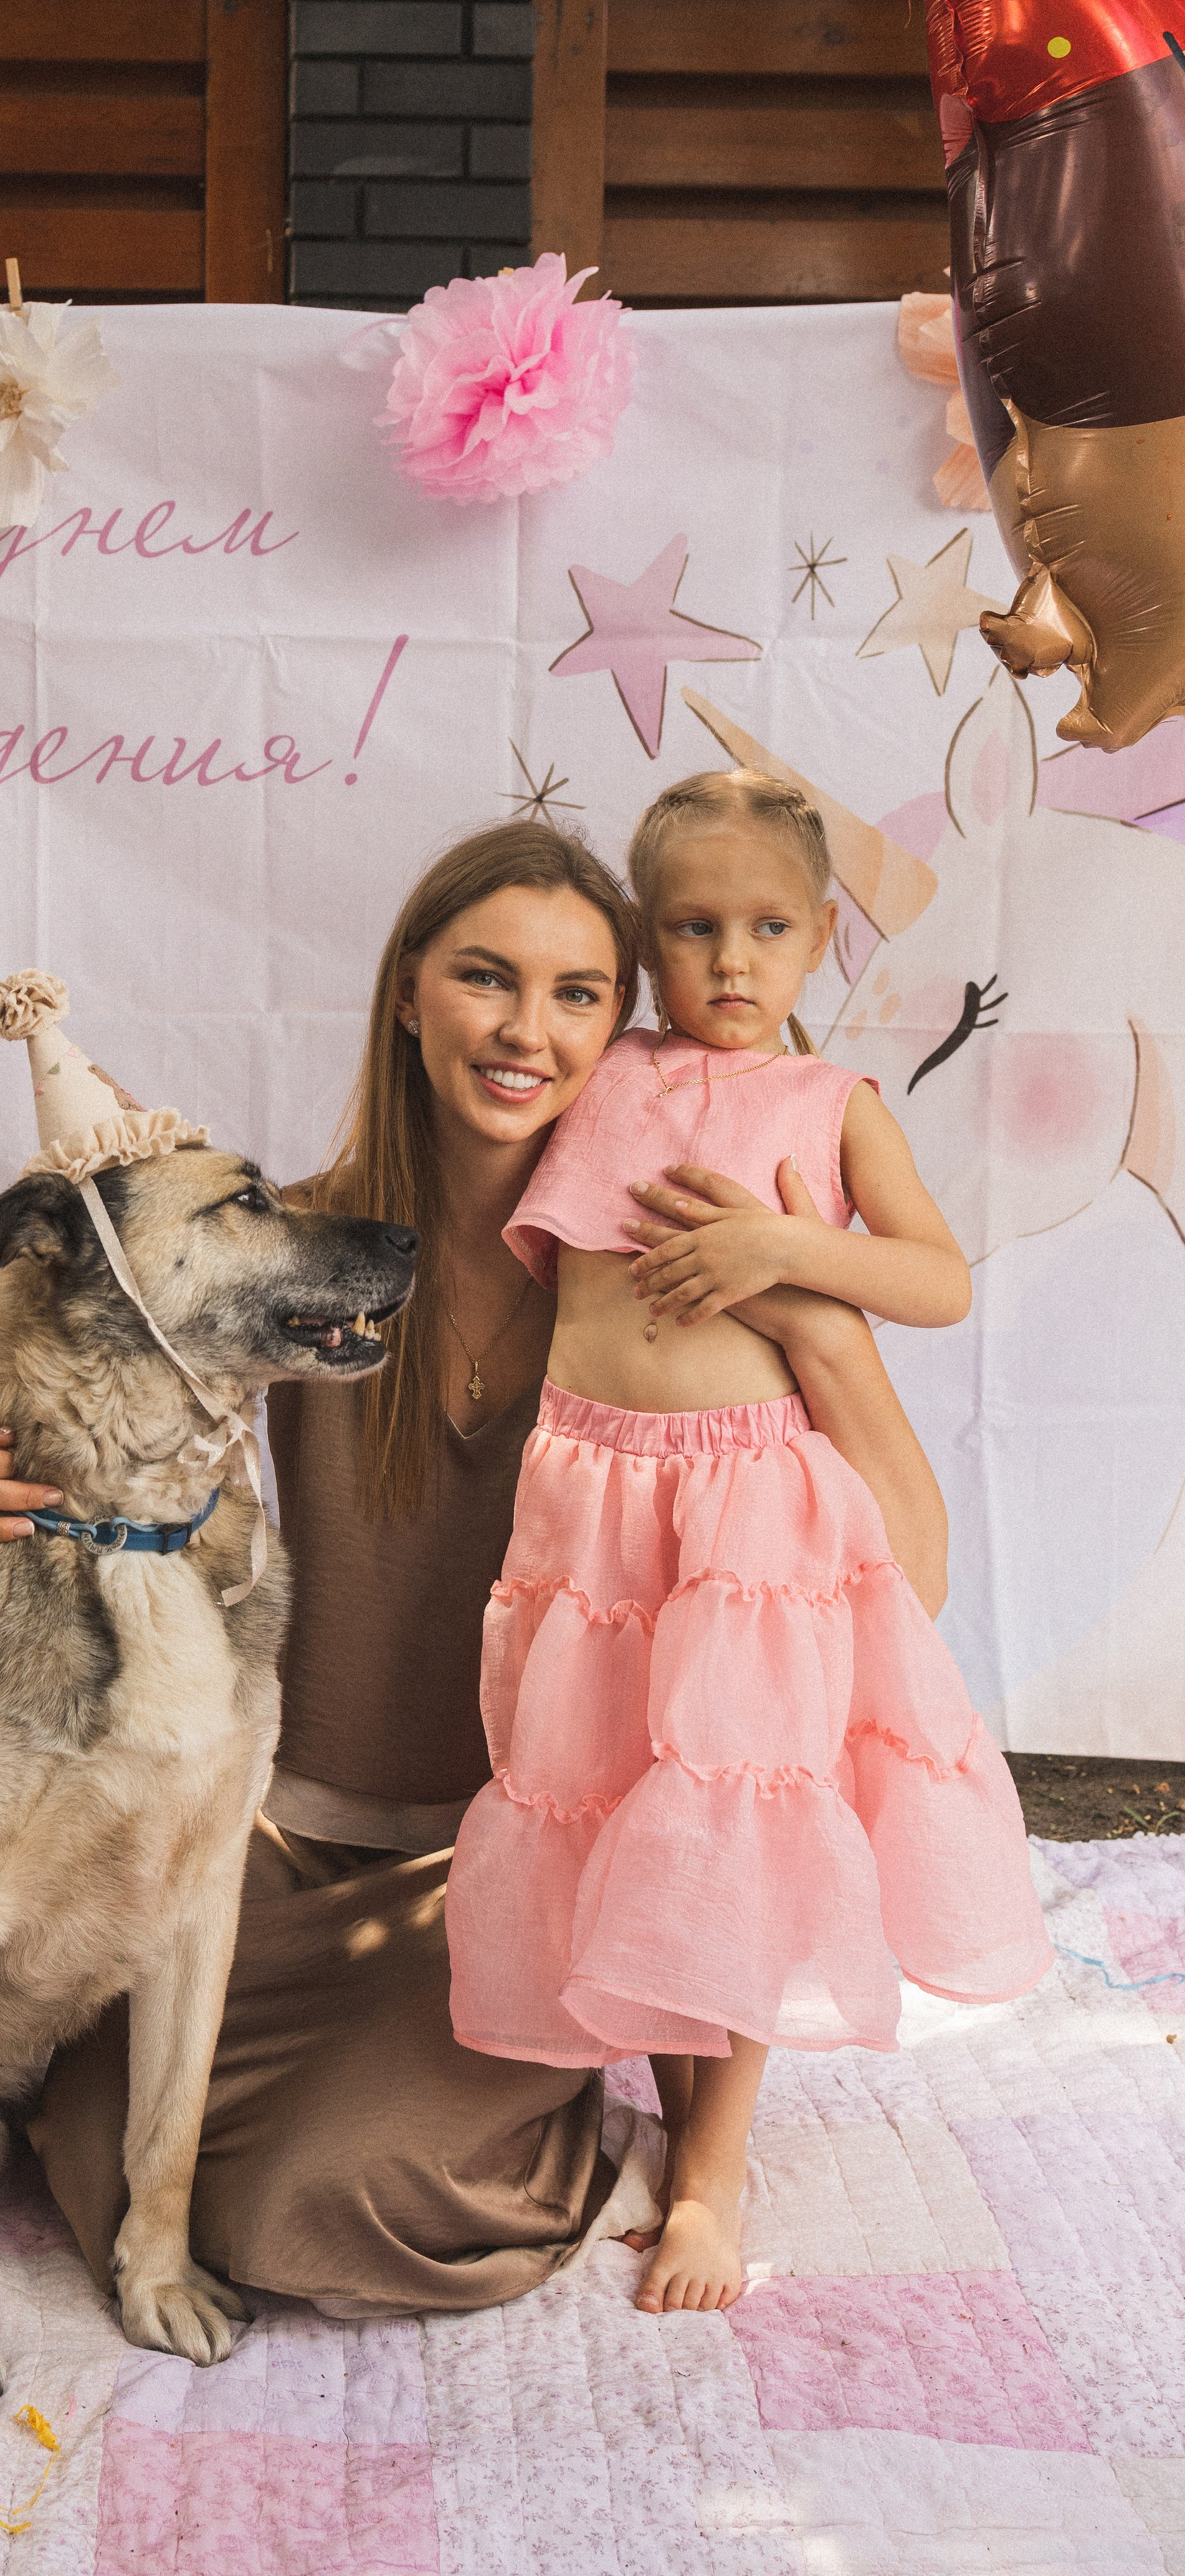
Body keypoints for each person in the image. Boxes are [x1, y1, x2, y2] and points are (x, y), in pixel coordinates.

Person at [0, 819, 948, 2314]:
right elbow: (79, 1398)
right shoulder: (294, 1254)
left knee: (319, 2204)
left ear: (623, 1019)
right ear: (406, 991)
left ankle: (568, 2093)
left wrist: (819, 1315)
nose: (525, 1030)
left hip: (499, 1870)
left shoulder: (676, 1272)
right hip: (263, 1847)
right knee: (102, 2168)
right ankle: (421, 2086)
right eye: (483, 979)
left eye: (578, 994)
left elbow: (908, 1581)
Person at [444, 770, 1053, 2323]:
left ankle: (711, 2170)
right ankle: (635, 2064)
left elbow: (931, 1283)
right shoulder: (600, 1076)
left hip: (748, 1518)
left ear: (820, 937)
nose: (728, 961)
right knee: (615, 1804)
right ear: (641, 939)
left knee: (731, 1817)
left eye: (766, 927)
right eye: (692, 927)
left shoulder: (831, 1102)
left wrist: (788, 1247)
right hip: (590, 1506)